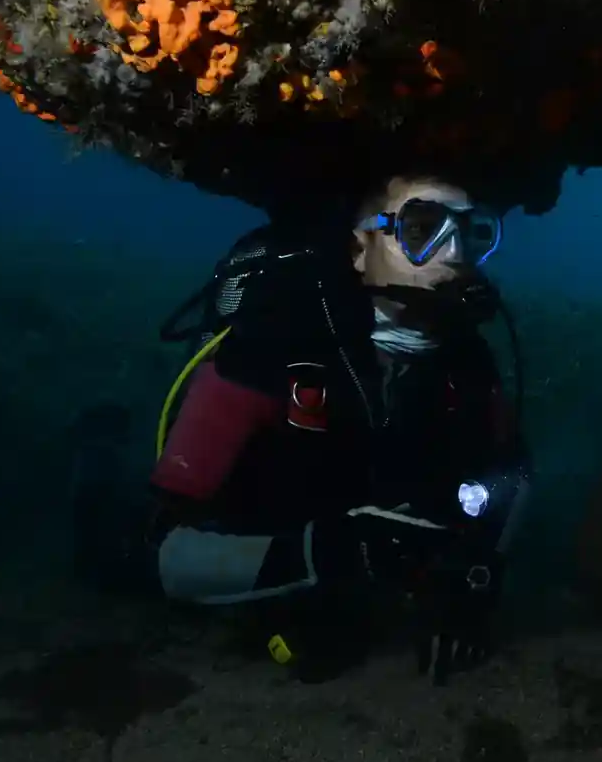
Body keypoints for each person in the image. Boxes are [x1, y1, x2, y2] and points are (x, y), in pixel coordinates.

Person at [74, 175, 531, 684]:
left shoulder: (469, 362)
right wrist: (330, 553)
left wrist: (476, 577)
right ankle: (96, 450)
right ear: (360, 249)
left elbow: (510, 470)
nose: (455, 255)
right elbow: (159, 547)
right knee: (105, 554)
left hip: (344, 555)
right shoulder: (276, 340)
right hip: (252, 529)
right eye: (422, 228)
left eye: (473, 235)